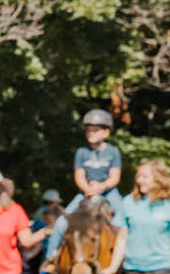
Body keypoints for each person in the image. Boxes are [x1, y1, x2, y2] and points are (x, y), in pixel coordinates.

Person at [44, 108, 125, 260]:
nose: (90, 133)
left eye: (95, 130)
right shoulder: (81, 152)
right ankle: (51, 259)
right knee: (62, 222)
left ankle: (128, 258)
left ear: (106, 132)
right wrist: (87, 189)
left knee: (125, 219)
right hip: (86, 192)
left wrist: (101, 187)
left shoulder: (113, 152)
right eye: (88, 130)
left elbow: (115, 177)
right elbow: (79, 176)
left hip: (108, 191)